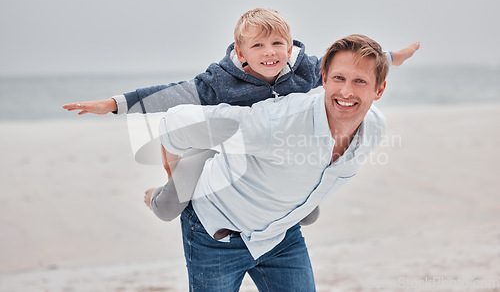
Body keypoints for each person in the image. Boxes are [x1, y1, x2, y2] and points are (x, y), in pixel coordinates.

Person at [63, 8, 419, 225]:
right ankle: (156, 196)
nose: (270, 53)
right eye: (259, 45)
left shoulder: (305, 70)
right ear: (241, 52)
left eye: (278, 43)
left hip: (269, 152)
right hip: (217, 147)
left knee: (308, 213)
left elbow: (358, 66)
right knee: (172, 207)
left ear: (290, 45)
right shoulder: (220, 81)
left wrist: (395, 58)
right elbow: (169, 95)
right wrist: (112, 104)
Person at [154, 34, 397, 291]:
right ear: (324, 79)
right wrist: (173, 172)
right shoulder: (276, 123)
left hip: (280, 236)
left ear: (379, 89)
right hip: (216, 231)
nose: (346, 91)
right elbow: (177, 124)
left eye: (360, 81)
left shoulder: (374, 128)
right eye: (339, 78)